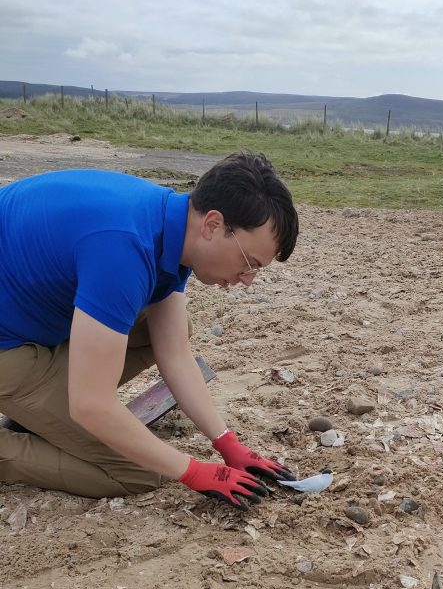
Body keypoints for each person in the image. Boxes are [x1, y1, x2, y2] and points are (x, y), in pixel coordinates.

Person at [0, 150, 299, 508]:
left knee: (170, 328)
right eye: (249, 263)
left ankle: (40, 412)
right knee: (140, 472)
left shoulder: (168, 222)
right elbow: (90, 405)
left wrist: (226, 443)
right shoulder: (124, 248)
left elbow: (173, 352)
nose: (248, 280)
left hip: (30, 323)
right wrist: (193, 471)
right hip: (10, 347)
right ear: (213, 225)